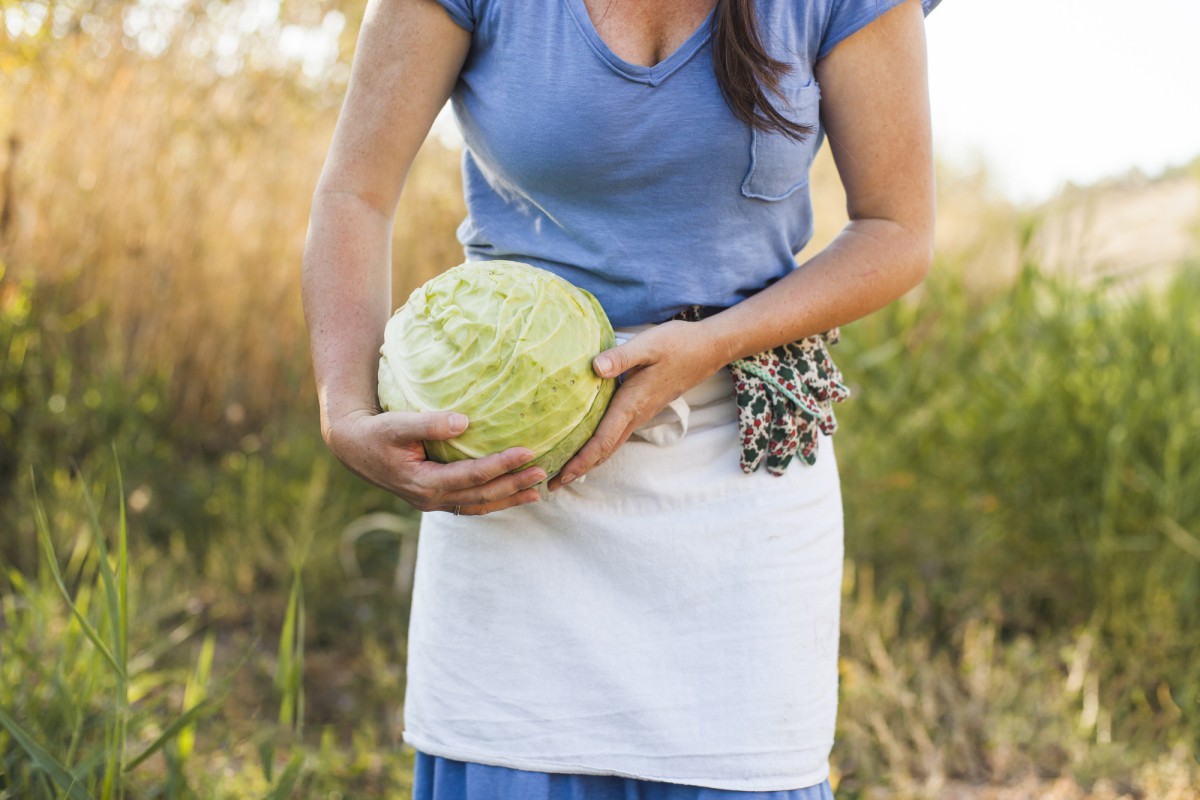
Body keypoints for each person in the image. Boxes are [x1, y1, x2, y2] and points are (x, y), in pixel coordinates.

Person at [301, 0, 939, 796]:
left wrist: (714, 341)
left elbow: (896, 229)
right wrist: (344, 409)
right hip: (517, 487)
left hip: (742, 476)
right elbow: (355, 195)